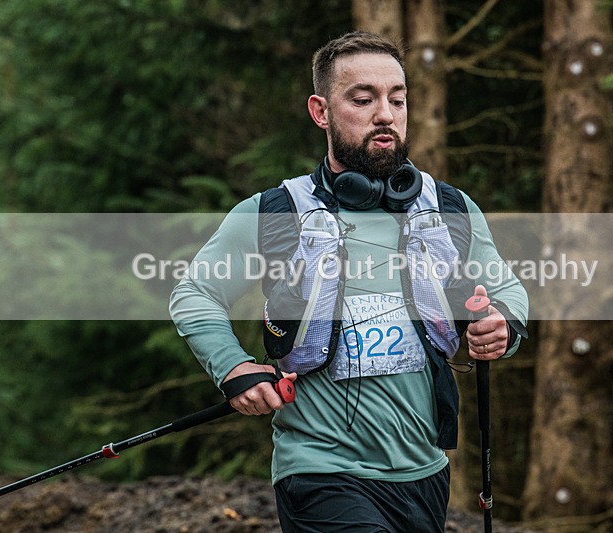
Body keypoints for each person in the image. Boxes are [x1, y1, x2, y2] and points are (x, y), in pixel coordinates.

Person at [170, 30, 528, 532]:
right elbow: (196, 293)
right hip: (319, 471)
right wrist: (232, 368)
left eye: (397, 100)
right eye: (363, 99)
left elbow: (508, 291)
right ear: (321, 111)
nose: (385, 114)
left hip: (424, 473)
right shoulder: (277, 212)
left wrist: (501, 326)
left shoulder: (449, 209)